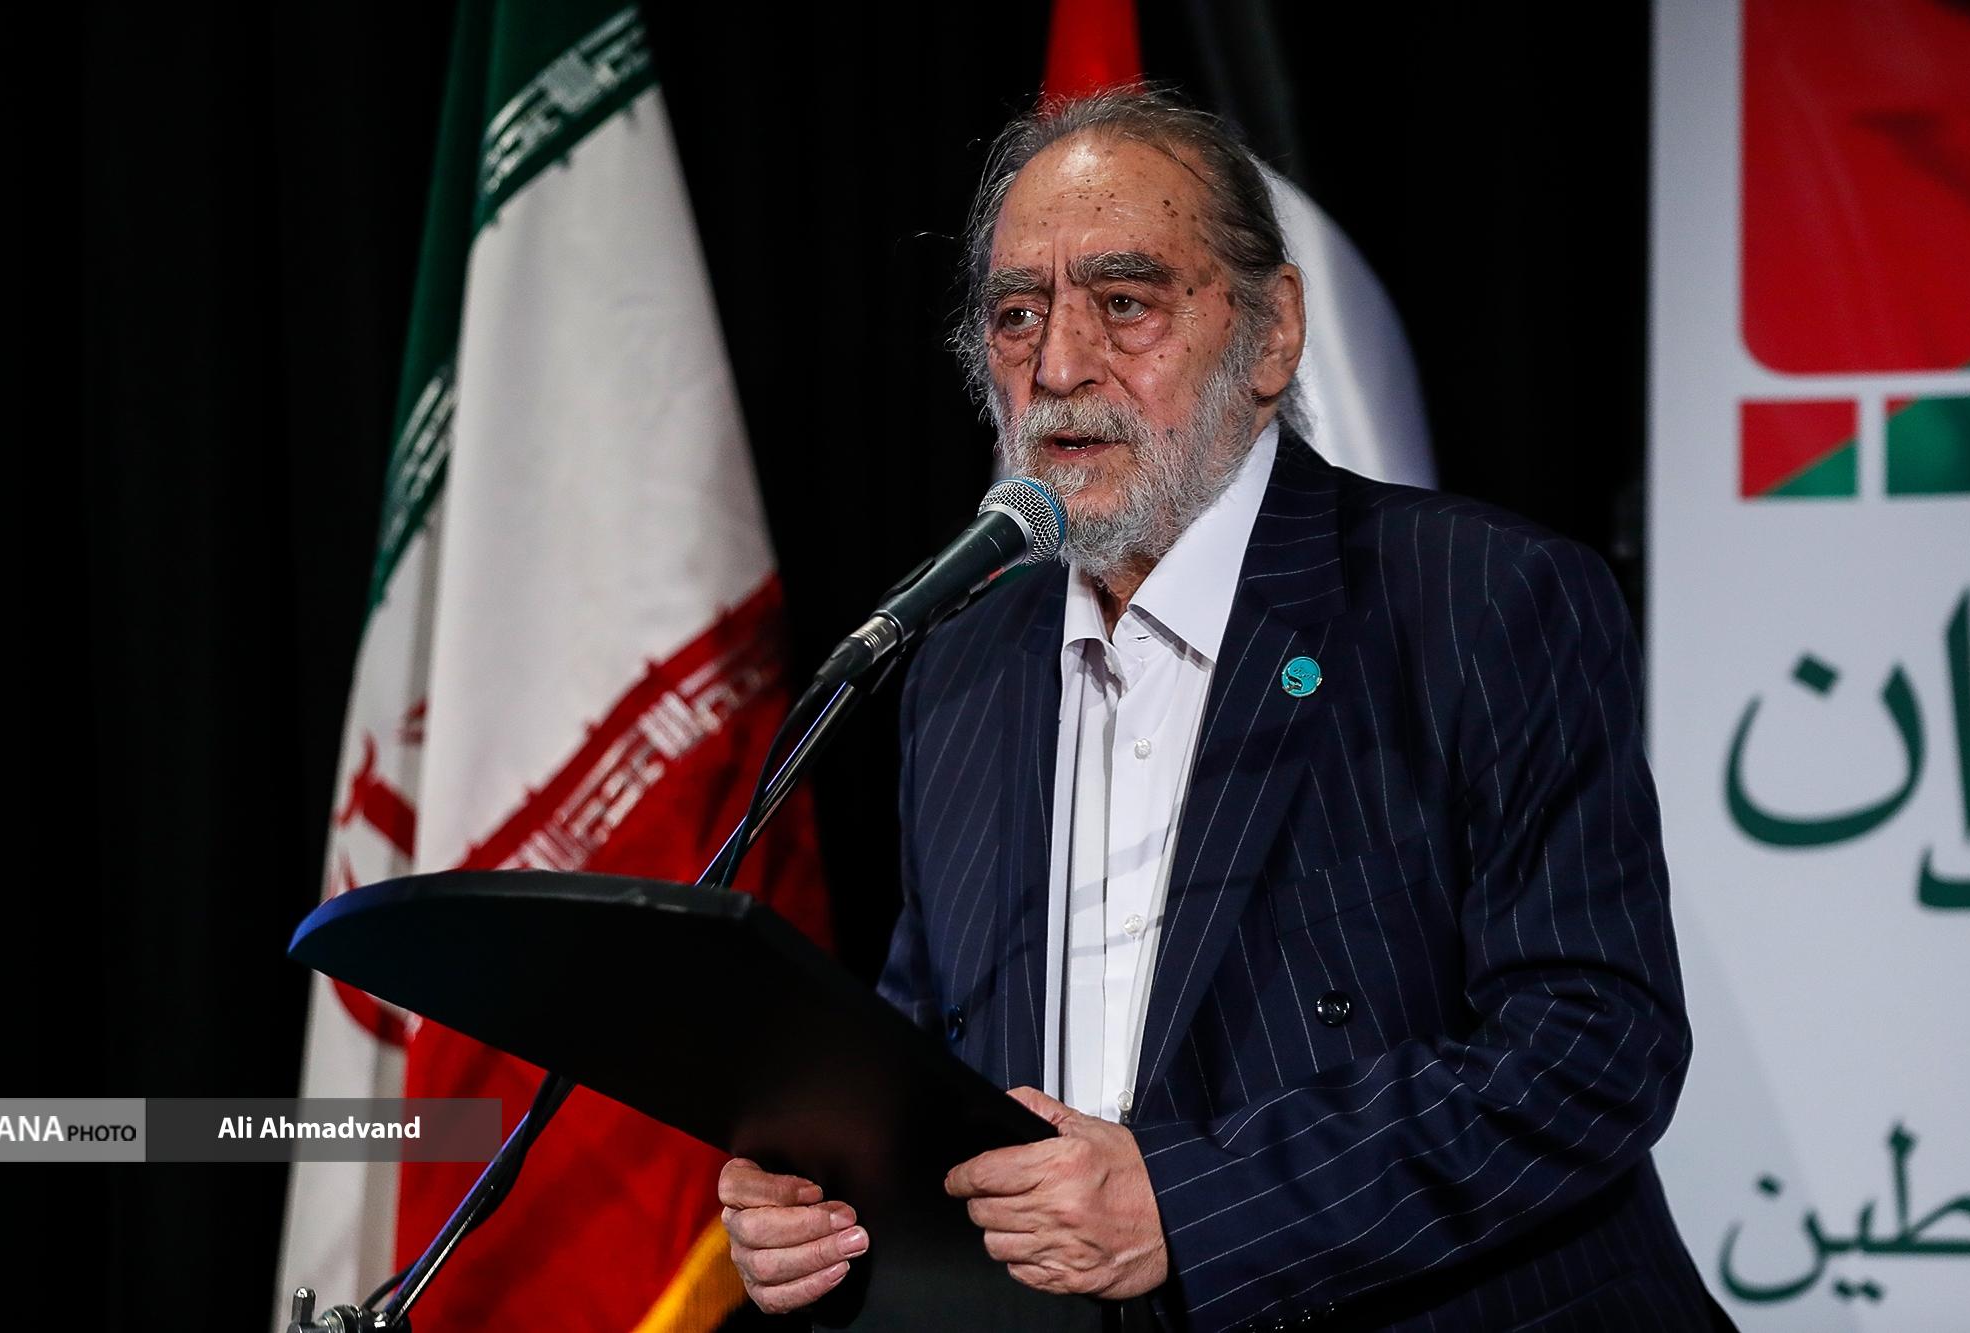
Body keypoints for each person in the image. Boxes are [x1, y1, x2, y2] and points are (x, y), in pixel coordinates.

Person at [719, 90, 1724, 1331]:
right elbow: (929, 1058)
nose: (1058, 367)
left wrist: (1189, 1206)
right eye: (1017, 315)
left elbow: (1590, 1046)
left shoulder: (1475, 602)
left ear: (1270, 331)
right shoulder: (962, 670)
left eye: (1123, 302)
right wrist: (828, 1195)